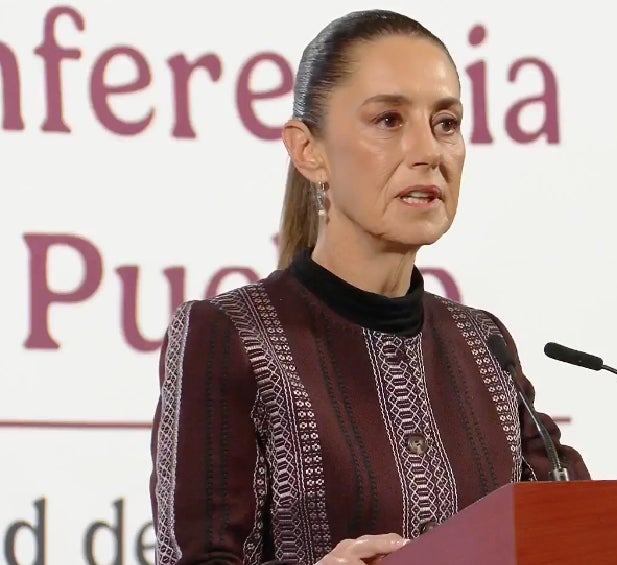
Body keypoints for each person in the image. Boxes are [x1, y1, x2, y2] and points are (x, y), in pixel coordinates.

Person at [148, 9, 589, 565]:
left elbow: (582, 528)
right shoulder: (231, 335)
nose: (429, 151)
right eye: (388, 120)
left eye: (446, 123)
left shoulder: (483, 344)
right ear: (308, 151)